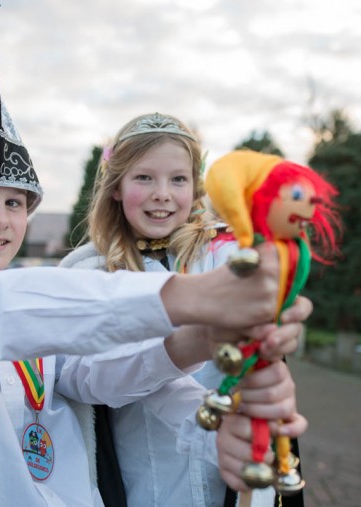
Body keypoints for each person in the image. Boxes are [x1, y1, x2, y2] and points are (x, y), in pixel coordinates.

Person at [0, 7, 298, 507]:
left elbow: (98, 376)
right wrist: (193, 298)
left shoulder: (34, 313)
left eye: (15, 203)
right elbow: (7, 308)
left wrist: (198, 349)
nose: (1, 219)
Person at [59, 112, 309, 507]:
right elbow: (87, 377)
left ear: (195, 187)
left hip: (230, 481)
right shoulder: (89, 273)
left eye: (178, 179)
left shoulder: (228, 258)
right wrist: (187, 346)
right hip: (146, 481)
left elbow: (268, 321)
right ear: (116, 187)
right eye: (144, 178)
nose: (163, 193)